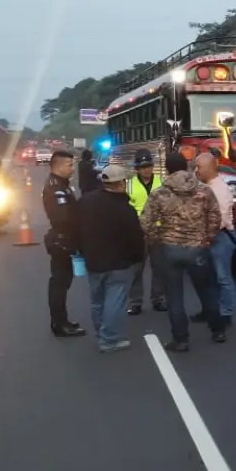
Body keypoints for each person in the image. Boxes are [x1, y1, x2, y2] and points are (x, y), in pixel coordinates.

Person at [140, 151, 225, 352]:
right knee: (207, 291)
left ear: (167, 168)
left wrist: (158, 237)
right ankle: (217, 331)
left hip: (170, 249)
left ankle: (181, 340)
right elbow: (215, 217)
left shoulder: (159, 193)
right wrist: (207, 237)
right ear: (187, 166)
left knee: (174, 296)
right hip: (197, 249)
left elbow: (146, 222)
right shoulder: (204, 190)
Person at [78, 164, 144, 354]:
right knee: (115, 301)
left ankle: (100, 334)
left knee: (97, 300)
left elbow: (74, 227)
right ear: (121, 183)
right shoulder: (125, 209)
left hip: (93, 260)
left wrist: (80, 250)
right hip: (119, 264)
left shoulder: (85, 201)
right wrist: (137, 258)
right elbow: (135, 238)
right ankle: (110, 339)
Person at [42, 150, 85, 337]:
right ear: (58, 166)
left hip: (65, 239)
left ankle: (62, 320)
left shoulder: (62, 185)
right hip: (62, 241)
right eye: (69, 165)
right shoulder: (55, 188)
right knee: (59, 283)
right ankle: (59, 324)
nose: (72, 168)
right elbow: (62, 217)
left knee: (63, 283)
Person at [192, 152, 236, 329]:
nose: (196, 171)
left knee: (222, 277)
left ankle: (226, 313)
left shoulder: (220, 189)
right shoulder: (206, 186)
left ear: (210, 168)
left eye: (199, 167)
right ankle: (211, 310)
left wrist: (206, 235)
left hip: (219, 238)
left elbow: (221, 217)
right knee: (210, 278)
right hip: (210, 238)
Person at [126, 149, 166, 315]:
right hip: (137, 232)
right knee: (136, 270)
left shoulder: (162, 182)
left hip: (158, 230)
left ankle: (158, 299)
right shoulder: (129, 184)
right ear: (137, 169)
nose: (146, 170)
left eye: (149, 166)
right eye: (143, 167)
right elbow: (126, 207)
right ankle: (135, 302)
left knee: (159, 268)